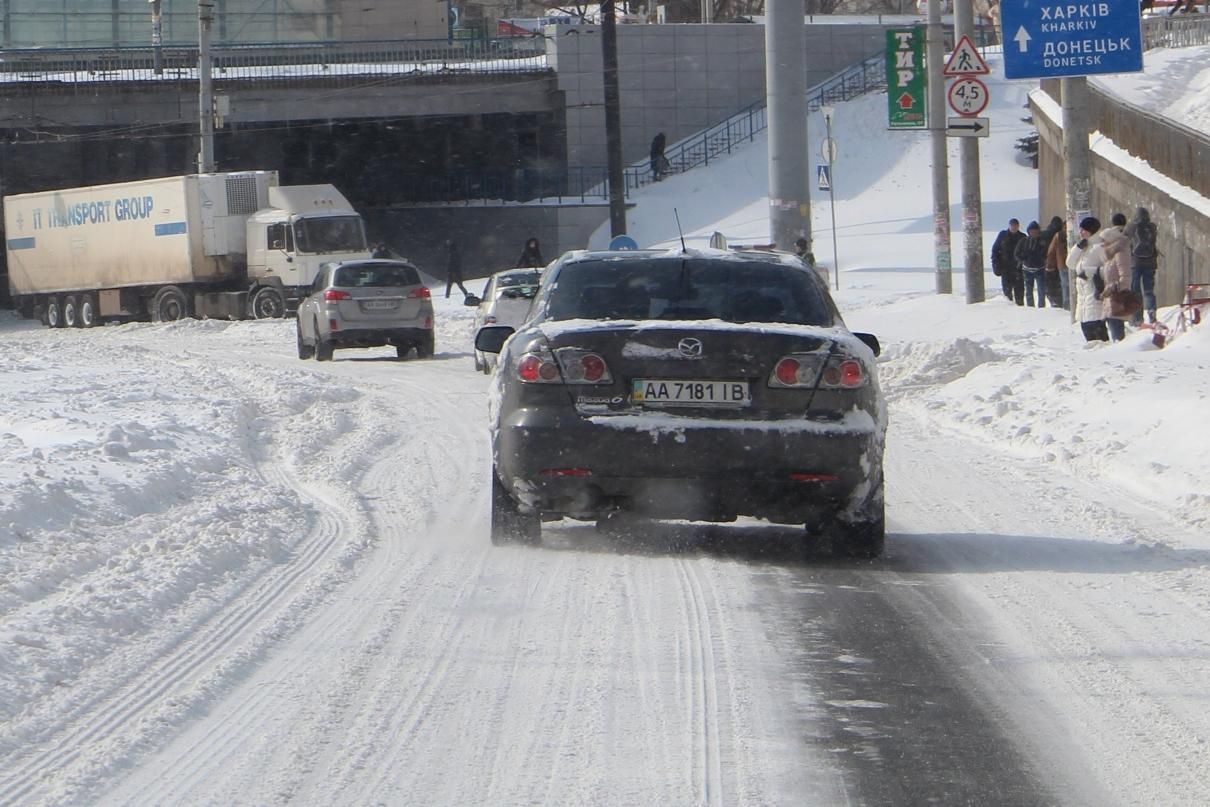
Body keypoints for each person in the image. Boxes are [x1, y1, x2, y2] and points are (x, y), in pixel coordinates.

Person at [1067, 216, 1109, 342]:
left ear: (1092, 230)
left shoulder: (1100, 247)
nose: (1081, 232)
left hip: (1094, 291)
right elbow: (1070, 264)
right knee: (1086, 328)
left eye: (1084, 230)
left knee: (1098, 333)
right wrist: (1077, 248)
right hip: (1082, 297)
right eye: (1080, 229)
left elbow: (1110, 269)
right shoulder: (1083, 246)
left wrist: (1090, 272)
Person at [1123, 206, 1159, 324]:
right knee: (1149, 290)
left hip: (1135, 263)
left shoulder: (1131, 226)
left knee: (1136, 290)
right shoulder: (1152, 227)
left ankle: (1138, 318)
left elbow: (1123, 240)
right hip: (1150, 262)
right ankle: (1152, 313)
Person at [1100, 225, 1134, 342]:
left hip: (1117, 297)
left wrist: (1114, 288)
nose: (1101, 243)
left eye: (1104, 240)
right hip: (1110, 297)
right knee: (1112, 325)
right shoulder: (1110, 256)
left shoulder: (1120, 254)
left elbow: (1125, 276)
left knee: (1117, 332)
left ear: (1111, 240)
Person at [1013, 220, 1049, 308]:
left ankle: (1041, 307)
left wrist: (1043, 259)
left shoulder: (1042, 241)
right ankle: (1030, 307)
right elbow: (1016, 253)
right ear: (1029, 231)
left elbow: (1047, 253)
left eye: (1036, 231)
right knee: (1028, 290)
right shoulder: (1024, 241)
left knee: (1041, 290)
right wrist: (1023, 260)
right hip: (1027, 269)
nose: (1034, 233)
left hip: (1040, 269)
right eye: (1032, 231)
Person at [991, 218, 1026, 304]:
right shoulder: (1003, 235)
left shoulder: (1022, 237)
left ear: (1018, 226)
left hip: (1018, 269)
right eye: (1012, 225)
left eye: (1015, 226)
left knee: (1019, 293)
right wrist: (995, 265)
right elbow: (995, 251)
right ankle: (1009, 307)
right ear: (1009, 226)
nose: (1014, 227)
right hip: (1005, 268)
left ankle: (1020, 308)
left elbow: (1026, 252)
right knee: (1007, 293)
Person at [1042, 215, 1066, 308]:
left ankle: (1054, 300)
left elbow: (1049, 251)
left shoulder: (1044, 234)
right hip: (1059, 262)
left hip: (1049, 263)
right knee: (1061, 284)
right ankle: (1060, 301)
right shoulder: (1060, 235)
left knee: (1051, 284)